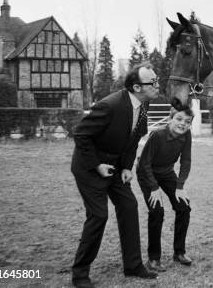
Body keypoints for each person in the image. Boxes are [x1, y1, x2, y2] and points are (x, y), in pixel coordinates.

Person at [70, 63, 160, 288]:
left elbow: (133, 139)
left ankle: (133, 266)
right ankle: (80, 274)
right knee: (99, 216)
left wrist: (128, 167)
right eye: (153, 82)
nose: (158, 85)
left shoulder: (144, 105)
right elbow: (80, 134)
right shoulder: (109, 105)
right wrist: (97, 165)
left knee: (129, 207)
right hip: (90, 167)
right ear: (137, 87)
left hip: (117, 168)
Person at [136, 106, 194, 272]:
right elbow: (144, 163)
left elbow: (186, 161)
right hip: (147, 173)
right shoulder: (158, 135)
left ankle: (179, 252)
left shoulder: (186, 135)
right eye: (179, 119)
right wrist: (154, 188)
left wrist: (180, 186)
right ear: (170, 119)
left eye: (187, 122)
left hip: (166, 172)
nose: (183, 124)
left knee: (184, 207)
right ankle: (153, 259)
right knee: (157, 211)